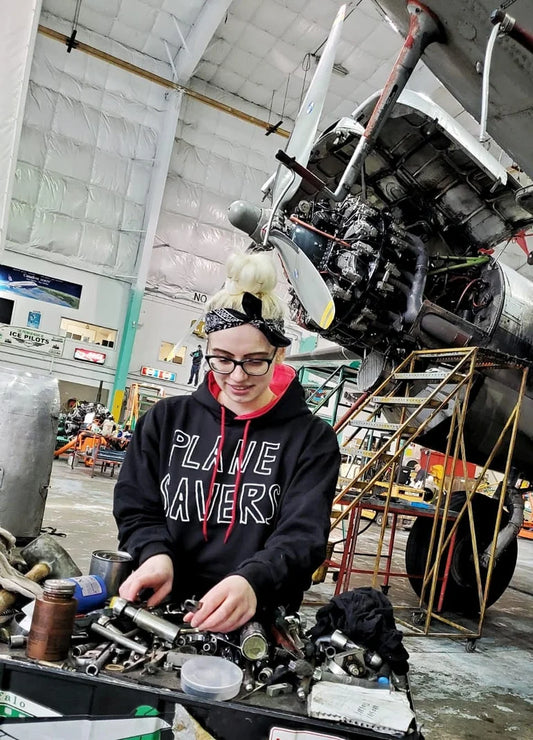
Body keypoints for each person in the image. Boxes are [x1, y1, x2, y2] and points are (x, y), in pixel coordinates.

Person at [113, 252, 340, 634]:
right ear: (206, 352)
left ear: (279, 354)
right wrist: (154, 554)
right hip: (159, 608)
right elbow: (137, 508)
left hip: (257, 618)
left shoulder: (311, 440)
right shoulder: (165, 421)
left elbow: (303, 535)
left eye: (255, 361)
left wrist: (253, 582)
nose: (237, 376)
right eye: (222, 359)